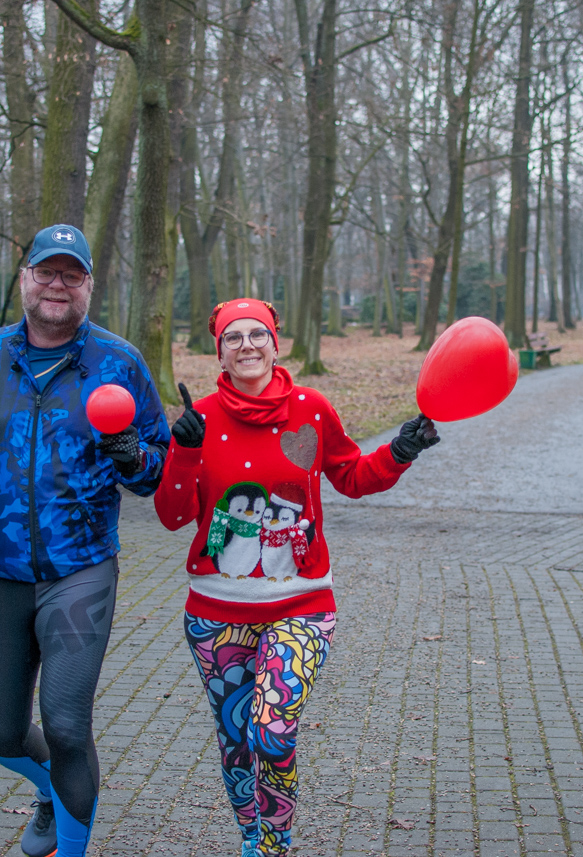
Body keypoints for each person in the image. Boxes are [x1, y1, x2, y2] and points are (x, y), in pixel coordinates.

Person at [0, 224, 170, 857]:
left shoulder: (119, 364)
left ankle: (70, 844)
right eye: (47, 272)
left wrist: (133, 457)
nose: (57, 285)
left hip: (80, 570)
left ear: (89, 288)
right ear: (24, 280)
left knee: (68, 725)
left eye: (72, 276)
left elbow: (157, 466)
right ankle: (52, 790)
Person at [154, 300, 440, 857]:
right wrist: (184, 452)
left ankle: (277, 842)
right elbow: (171, 514)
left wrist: (400, 452)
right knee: (236, 742)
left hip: (300, 606)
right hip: (215, 614)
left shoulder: (311, 409)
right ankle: (250, 839)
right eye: (231, 338)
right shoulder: (202, 420)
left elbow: (352, 477)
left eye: (256, 333)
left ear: (275, 342)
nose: (246, 345)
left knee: (271, 730)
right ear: (219, 350)